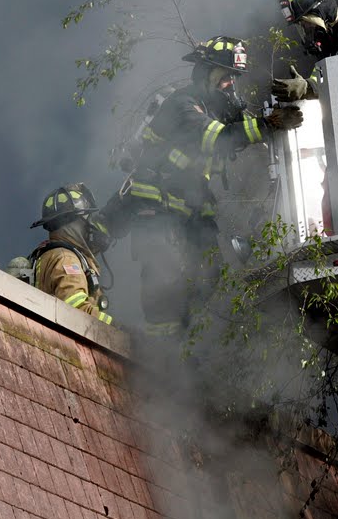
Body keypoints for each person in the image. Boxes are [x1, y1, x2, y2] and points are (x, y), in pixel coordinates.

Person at [103, 36, 304, 338]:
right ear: (205, 73)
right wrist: (267, 124)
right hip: (156, 203)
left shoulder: (213, 109)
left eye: (234, 77)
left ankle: (181, 333)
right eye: (225, 76)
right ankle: (161, 349)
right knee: (162, 273)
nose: (230, 84)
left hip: (189, 206)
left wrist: (294, 99)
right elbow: (220, 137)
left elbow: (241, 131)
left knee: (211, 272)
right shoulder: (183, 105)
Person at [28, 183, 113, 324]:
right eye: (87, 219)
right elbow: (76, 311)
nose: (90, 225)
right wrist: (117, 329)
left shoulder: (52, 255)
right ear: (74, 224)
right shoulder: (66, 259)